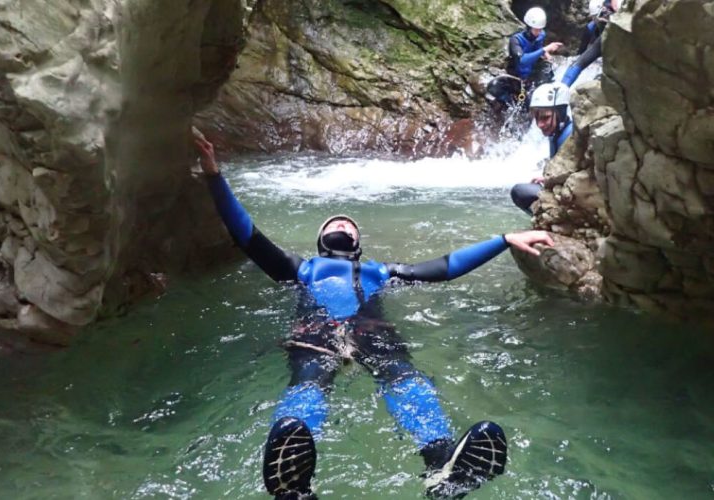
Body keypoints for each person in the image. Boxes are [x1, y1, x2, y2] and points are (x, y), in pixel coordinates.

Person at [192, 130, 555, 499]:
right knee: (308, 383)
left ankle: (442, 469)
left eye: (349, 224)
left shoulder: (381, 272)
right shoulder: (299, 268)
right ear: (320, 240)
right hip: (316, 334)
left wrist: (504, 239)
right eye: (334, 223)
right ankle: (293, 486)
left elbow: (445, 267)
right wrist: (213, 175)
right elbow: (246, 235)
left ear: (358, 243)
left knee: (406, 380)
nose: (342, 224)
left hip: (372, 332)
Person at [510, 82, 573, 215]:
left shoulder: (572, 135)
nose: (540, 124)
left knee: (519, 191)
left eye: (545, 118)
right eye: (537, 118)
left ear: (561, 113)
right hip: (563, 192)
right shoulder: (556, 135)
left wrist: (551, 180)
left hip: (573, 197)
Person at [485, 7, 562, 109]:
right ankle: (509, 103)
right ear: (529, 27)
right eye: (536, 30)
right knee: (493, 87)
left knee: (547, 72)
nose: (538, 32)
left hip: (531, 77)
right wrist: (544, 50)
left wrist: (545, 54)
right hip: (516, 77)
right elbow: (522, 61)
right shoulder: (516, 40)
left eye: (540, 29)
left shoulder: (541, 35)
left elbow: (537, 48)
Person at [560, 0, 619, 87]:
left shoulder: (603, 20)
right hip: (604, 41)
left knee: (579, 62)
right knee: (580, 62)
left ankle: (561, 88)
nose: (595, 20)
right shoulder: (591, 27)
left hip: (608, 40)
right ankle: (561, 88)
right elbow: (582, 51)